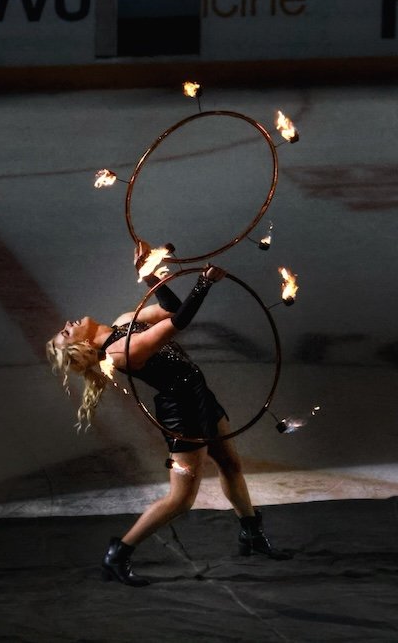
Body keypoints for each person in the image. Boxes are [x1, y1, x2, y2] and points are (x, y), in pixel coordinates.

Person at [46, 240, 290, 587]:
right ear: (80, 346)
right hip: (182, 410)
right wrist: (204, 282)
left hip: (199, 394)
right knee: (181, 498)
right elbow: (179, 321)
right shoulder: (119, 352)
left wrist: (147, 276)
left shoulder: (123, 322)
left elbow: (168, 306)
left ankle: (251, 534)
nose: (67, 324)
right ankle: (118, 554)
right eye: (64, 333)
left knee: (230, 464)